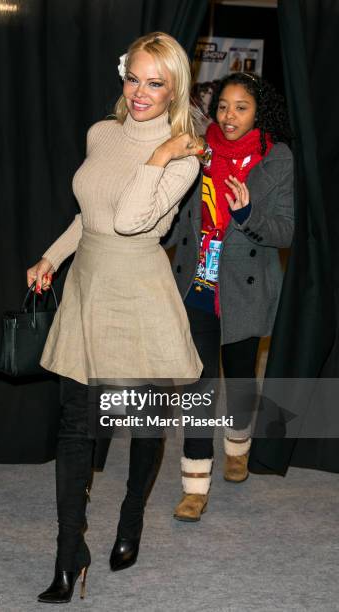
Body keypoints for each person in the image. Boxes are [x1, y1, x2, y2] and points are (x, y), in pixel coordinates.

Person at [27, 32, 204, 604]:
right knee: (75, 428)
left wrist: (157, 156)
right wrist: (52, 257)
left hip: (142, 292)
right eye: (134, 78)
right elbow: (93, 213)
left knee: (146, 426)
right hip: (89, 289)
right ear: (123, 74)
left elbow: (131, 221)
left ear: (174, 87)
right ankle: (66, 554)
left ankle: (131, 521)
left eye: (156, 83)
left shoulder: (184, 151)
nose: (140, 93)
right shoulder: (102, 133)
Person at [165, 72, 294, 521]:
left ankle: (238, 444)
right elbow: (179, 215)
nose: (229, 115)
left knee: (239, 377)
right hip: (197, 283)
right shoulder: (199, 150)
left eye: (241, 107)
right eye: (222, 106)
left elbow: (286, 230)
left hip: (244, 288)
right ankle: (194, 484)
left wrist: (246, 213)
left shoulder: (277, 160)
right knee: (200, 385)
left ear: (259, 112)